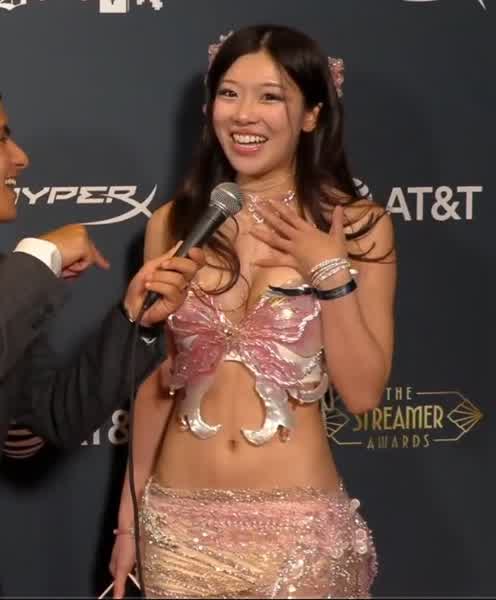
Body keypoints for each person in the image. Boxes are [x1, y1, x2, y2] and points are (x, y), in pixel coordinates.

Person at [110, 24, 396, 599]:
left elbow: (364, 393)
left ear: (311, 115)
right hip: (177, 525)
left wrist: (330, 273)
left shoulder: (358, 225)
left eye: (270, 96)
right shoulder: (175, 223)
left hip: (299, 535)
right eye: (229, 93)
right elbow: (161, 382)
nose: (244, 115)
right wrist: (129, 521)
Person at [0, 93, 205, 455]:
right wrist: (38, 257)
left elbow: (56, 415)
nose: (20, 158)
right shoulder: (17, 277)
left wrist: (134, 318)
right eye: (1, 139)